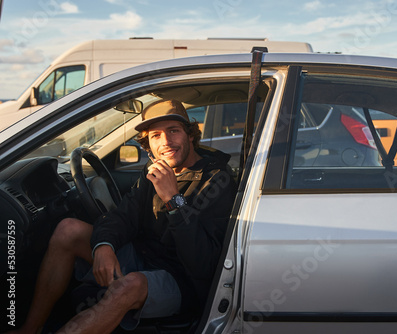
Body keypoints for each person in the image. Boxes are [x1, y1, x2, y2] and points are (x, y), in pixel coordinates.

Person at [12, 99, 237, 334]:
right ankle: (30, 328)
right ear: (148, 145)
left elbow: (203, 264)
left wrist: (173, 199)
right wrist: (104, 245)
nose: (166, 142)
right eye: (156, 135)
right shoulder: (155, 171)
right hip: (144, 256)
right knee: (68, 229)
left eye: (174, 131)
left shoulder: (216, 180)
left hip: (183, 280)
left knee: (129, 285)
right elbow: (123, 216)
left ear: (190, 135)